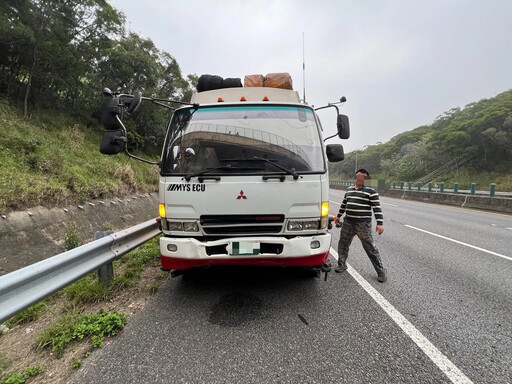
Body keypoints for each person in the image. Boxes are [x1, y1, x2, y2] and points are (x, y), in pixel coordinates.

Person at [334, 168, 387, 282]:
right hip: (348, 222)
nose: (360, 178)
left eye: (362, 177)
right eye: (358, 176)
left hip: (363, 224)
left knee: (370, 248)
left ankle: (381, 271)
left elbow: (377, 208)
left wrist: (380, 224)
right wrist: (338, 216)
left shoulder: (371, 191)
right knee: (343, 244)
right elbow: (344, 204)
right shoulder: (349, 190)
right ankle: (342, 264)